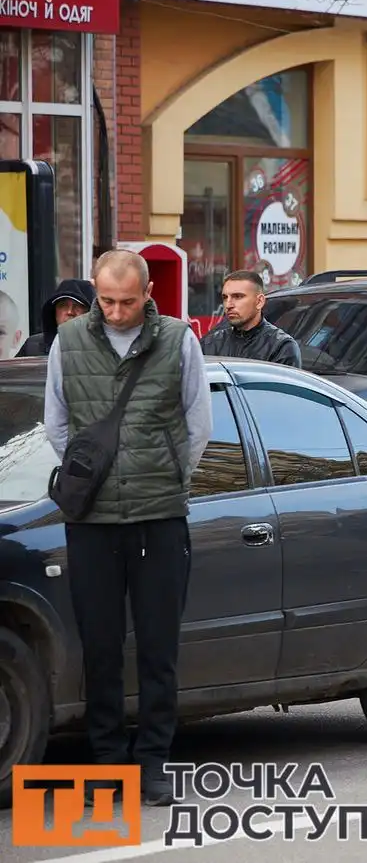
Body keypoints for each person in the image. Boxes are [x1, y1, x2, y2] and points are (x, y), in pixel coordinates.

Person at [43, 250, 213, 806]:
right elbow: (56, 422)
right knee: (100, 647)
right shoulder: (67, 343)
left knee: (159, 647)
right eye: (106, 301)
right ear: (96, 292)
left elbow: (197, 426)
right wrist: (89, 477)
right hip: (91, 522)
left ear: (147, 294)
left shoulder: (178, 340)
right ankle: (107, 763)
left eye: (127, 302)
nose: (115, 313)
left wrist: (164, 476)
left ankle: (154, 762)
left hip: (159, 518)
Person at [200, 270, 302, 367]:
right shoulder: (210, 344)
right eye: (225, 297)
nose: (228, 305)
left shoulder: (281, 347)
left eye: (238, 296)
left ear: (259, 302)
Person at [17, 279, 96, 357]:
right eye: (63, 305)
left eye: (78, 306)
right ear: (54, 312)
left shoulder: (101, 347)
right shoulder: (32, 346)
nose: (69, 311)